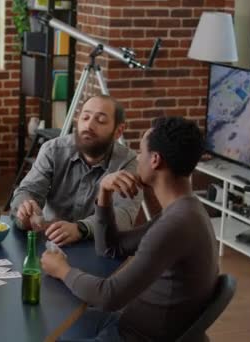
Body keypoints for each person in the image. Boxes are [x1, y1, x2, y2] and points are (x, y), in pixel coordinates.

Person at [41, 117, 219, 341]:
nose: (137, 157)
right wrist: (104, 194)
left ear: (155, 160)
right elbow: (110, 249)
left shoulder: (176, 225)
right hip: (128, 323)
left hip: (131, 336)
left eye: (141, 152)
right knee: (51, 323)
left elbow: (109, 296)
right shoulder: (185, 210)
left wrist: (62, 270)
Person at [11, 95, 142, 246]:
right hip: (51, 242)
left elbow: (124, 215)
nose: (89, 126)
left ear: (118, 131)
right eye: (85, 117)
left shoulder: (128, 162)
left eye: (100, 120)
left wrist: (81, 228)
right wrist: (25, 210)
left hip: (98, 246)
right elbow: (27, 190)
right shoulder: (53, 150)